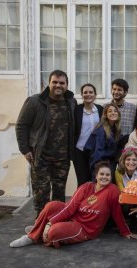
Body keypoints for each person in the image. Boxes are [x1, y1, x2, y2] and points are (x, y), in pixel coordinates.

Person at [9, 161, 137, 248]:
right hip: (73, 216)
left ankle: (39, 229)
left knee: (53, 233)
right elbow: (70, 208)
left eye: (107, 175)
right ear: (96, 175)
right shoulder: (86, 186)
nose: (104, 177)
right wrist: (49, 223)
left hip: (84, 229)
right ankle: (32, 236)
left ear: (111, 177)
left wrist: (125, 232)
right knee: (52, 205)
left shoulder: (112, 191)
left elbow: (117, 213)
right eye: (101, 174)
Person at [16, 70, 76, 216]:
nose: (58, 85)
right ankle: (40, 224)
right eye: (54, 82)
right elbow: (21, 125)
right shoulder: (34, 101)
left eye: (62, 83)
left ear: (66, 85)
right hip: (40, 156)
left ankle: (56, 222)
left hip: (62, 158)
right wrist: (25, 150)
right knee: (41, 194)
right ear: (48, 83)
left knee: (59, 194)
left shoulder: (71, 102)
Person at [73, 83, 103, 186]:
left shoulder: (100, 109)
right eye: (85, 92)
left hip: (96, 151)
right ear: (82, 95)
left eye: (91, 92)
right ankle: (81, 202)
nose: (88, 94)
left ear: (95, 95)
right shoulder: (76, 110)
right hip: (79, 150)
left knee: (95, 179)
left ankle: (95, 202)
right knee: (82, 181)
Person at [115, 148, 137, 231]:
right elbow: (121, 191)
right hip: (126, 202)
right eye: (128, 159)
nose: (131, 162)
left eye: (134, 160)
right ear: (123, 161)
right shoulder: (118, 172)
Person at [84, 103, 123, 175]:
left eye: (115, 111)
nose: (113, 113)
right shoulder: (101, 131)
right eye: (110, 111)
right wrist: (100, 170)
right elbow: (98, 154)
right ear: (106, 115)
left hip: (110, 165)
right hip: (101, 167)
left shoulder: (116, 130)